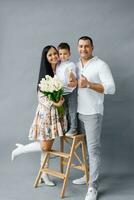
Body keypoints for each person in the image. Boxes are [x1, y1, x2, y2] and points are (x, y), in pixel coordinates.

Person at [11, 45, 66, 186]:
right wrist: (56, 103)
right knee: (45, 146)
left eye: (55, 53)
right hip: (46, 114)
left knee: (47, 146)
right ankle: (20, 150)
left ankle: (44, 174)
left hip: (56, 114)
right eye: (50, 55)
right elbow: (41, 98)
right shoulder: (45, 74)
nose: (54, 56)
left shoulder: (60, 70)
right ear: (46, 58)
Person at [71, 36, 116, 200]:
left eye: (87, 46)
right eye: (81, 46)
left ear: (92, 47)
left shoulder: (101, 65)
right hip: (78, 113)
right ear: (77, 48)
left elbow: (111, 89)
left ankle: (92, 187)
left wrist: (89, 84)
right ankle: (87, 175)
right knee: (83, 149)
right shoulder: (75, 65)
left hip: (93, 114)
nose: (83, 49)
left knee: (93, 151)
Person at [56, 42, 77, 136]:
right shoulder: (58, 65)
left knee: (72, 110)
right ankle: (67, 127)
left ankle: (74, 128)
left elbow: (71, 74)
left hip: (71, 91)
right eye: (60, 54)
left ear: (69, 54)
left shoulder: (71, 64)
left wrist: (70, 76)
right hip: (62, 92)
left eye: (65, 53)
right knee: (65, 110)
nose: (63, 56)